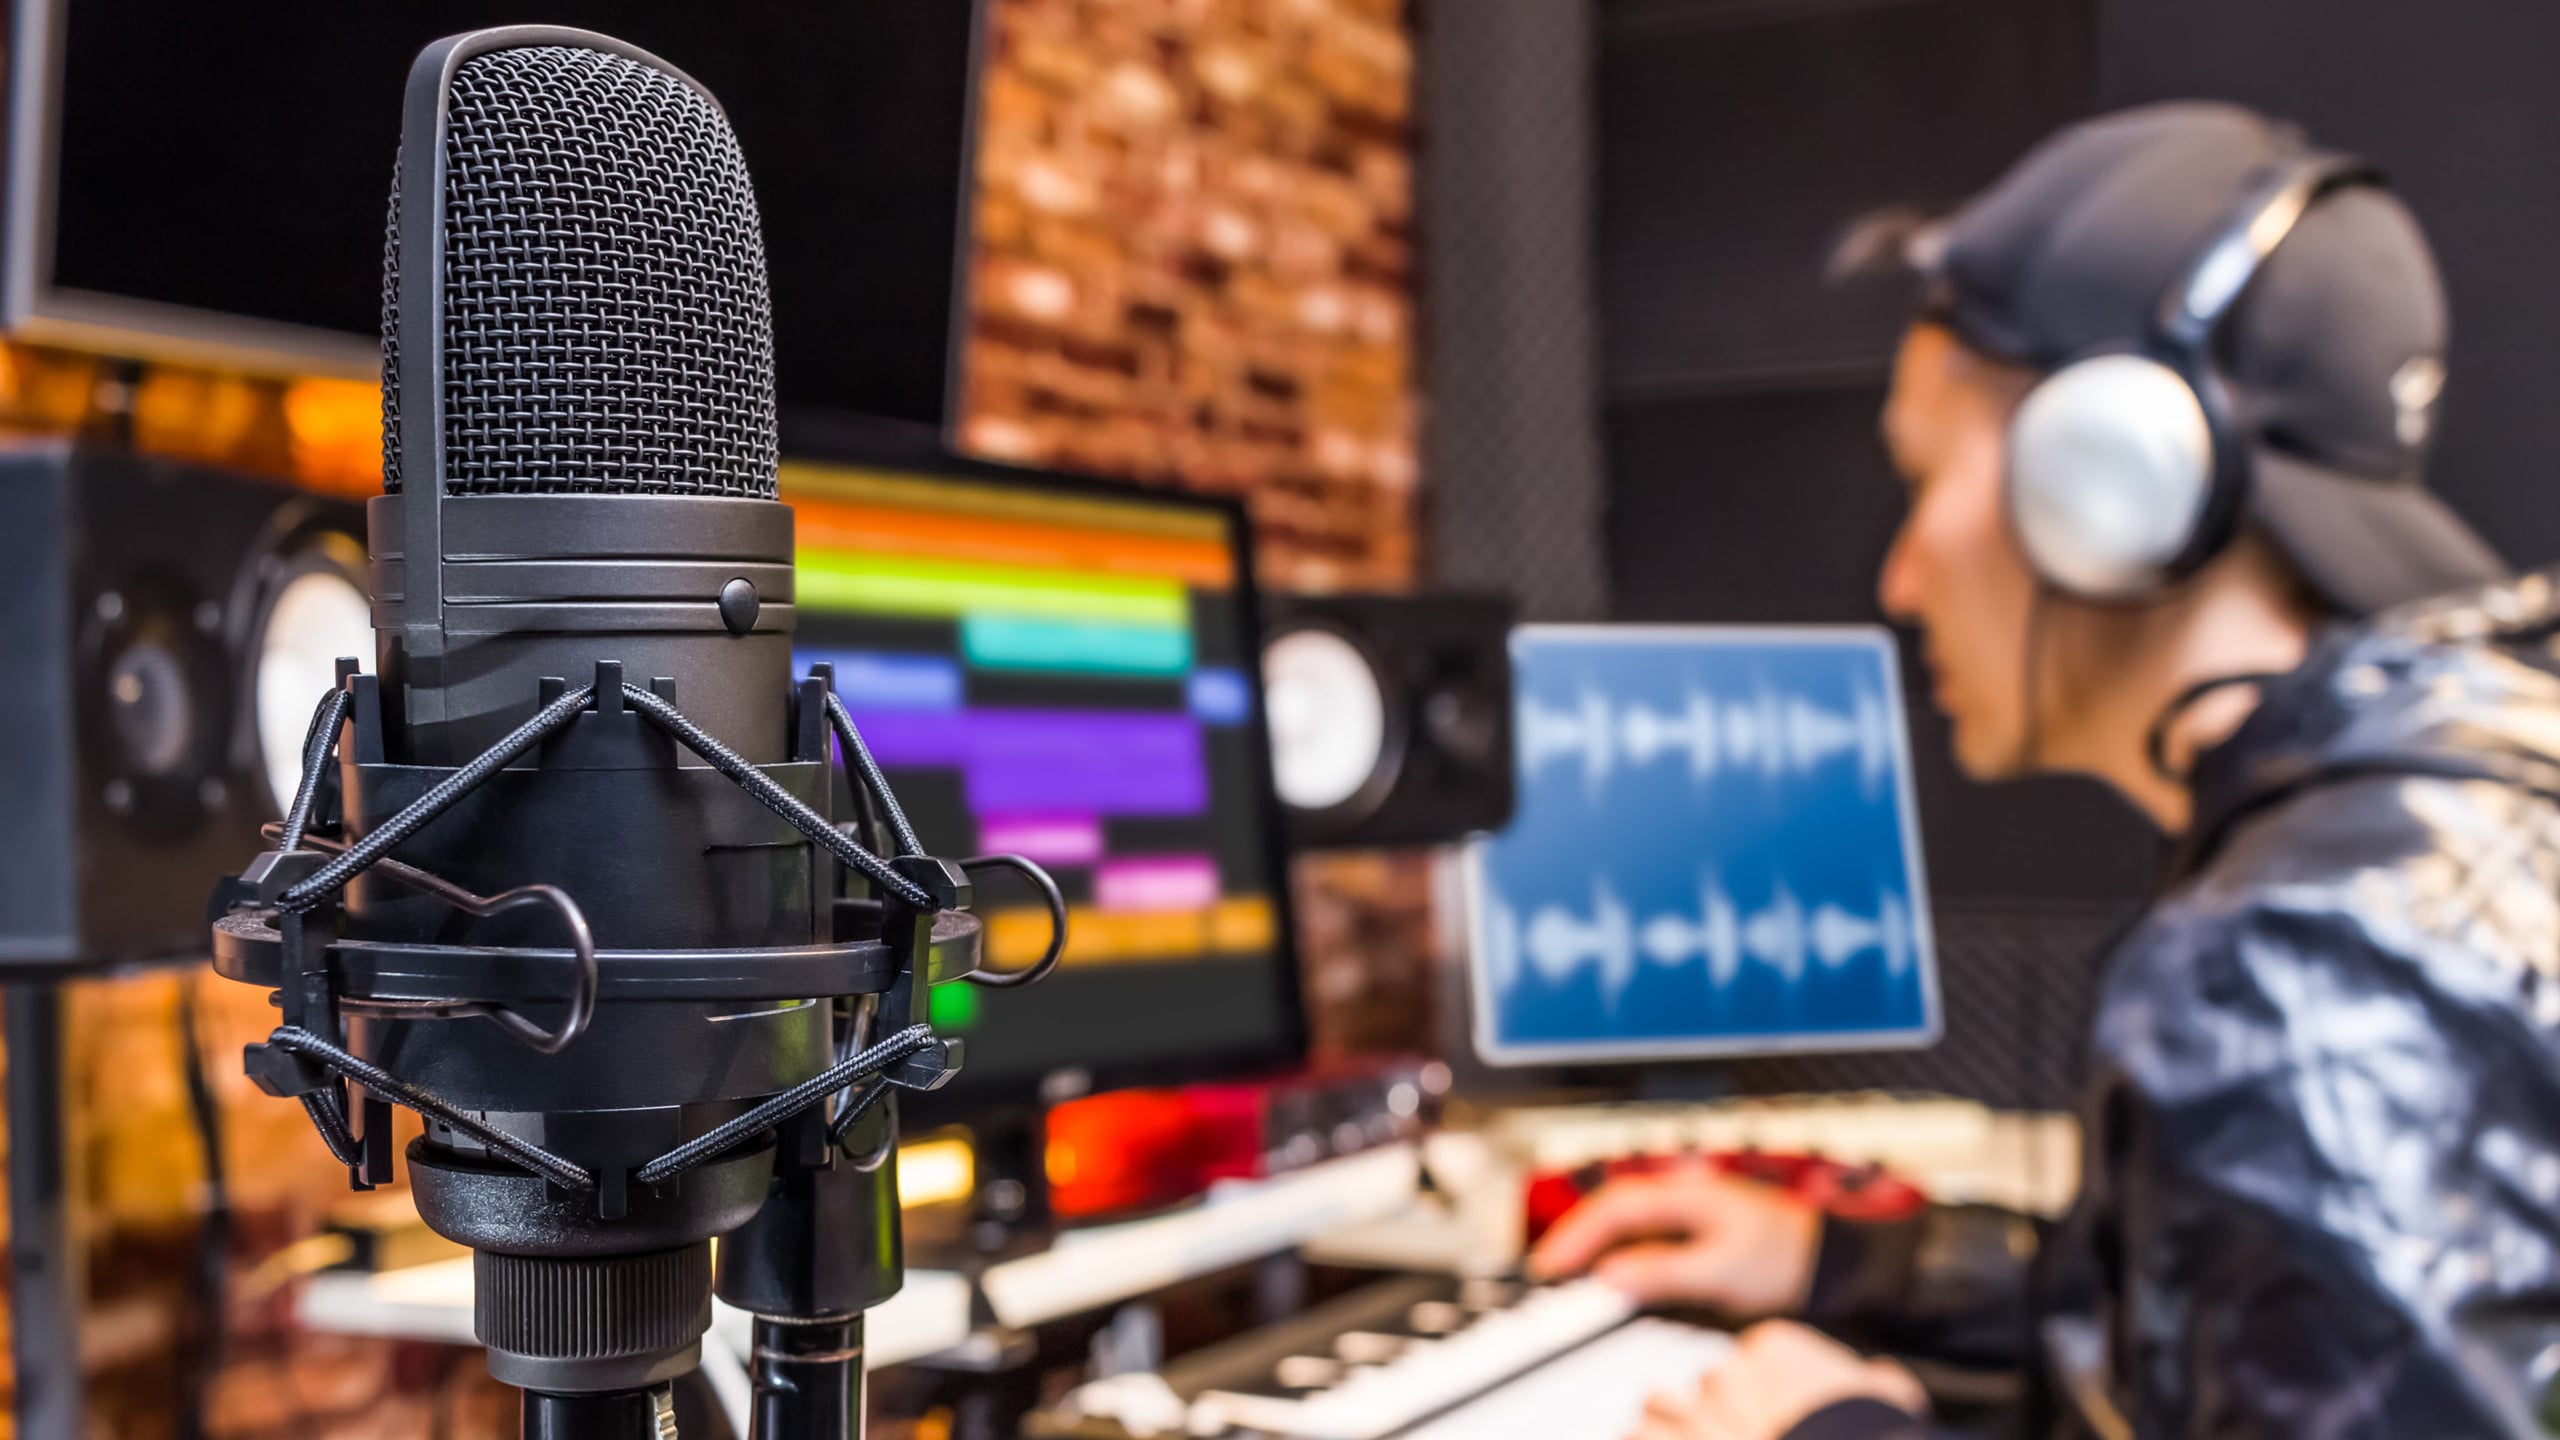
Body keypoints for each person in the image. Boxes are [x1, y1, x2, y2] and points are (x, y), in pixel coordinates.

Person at [1531, 102, 2560, 1439]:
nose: (1899, 582)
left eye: (1923, 477)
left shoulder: (2310, 964)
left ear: (2106, 486)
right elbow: (2260, 1340)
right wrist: (1853, 1268)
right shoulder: (2444, 813)